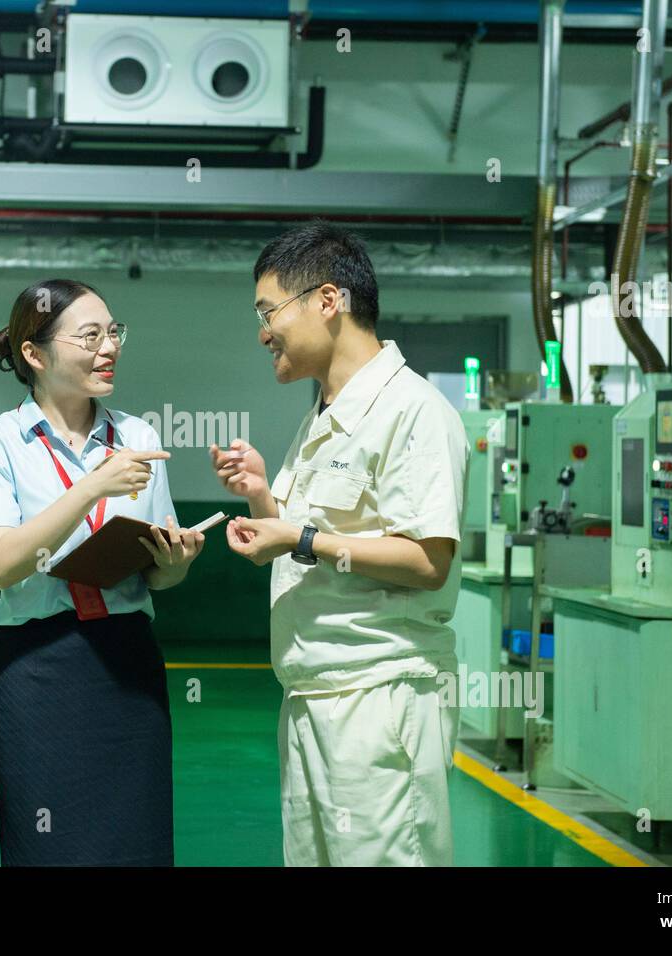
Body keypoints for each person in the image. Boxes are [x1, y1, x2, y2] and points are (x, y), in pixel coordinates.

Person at [209, 221, 469, 867]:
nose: (262, 333)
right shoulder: (324, 416)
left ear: (328, 301)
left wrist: (299, 535)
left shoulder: (412, 411)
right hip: (312, 696)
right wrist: (262, 498)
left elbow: (428, 562)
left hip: (379, 700)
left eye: (269, 312)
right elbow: (308, 545)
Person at [0, 278, 205, 866]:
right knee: (46, 847)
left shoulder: (138, 437)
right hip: (38, 668)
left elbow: (155, 578)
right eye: (90, 336)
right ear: (34, 353)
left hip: (127, 664)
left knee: (136, 845)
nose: (109, 347)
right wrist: (92, 487)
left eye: (114, 333)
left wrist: (175, 563)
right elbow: (2, 564)